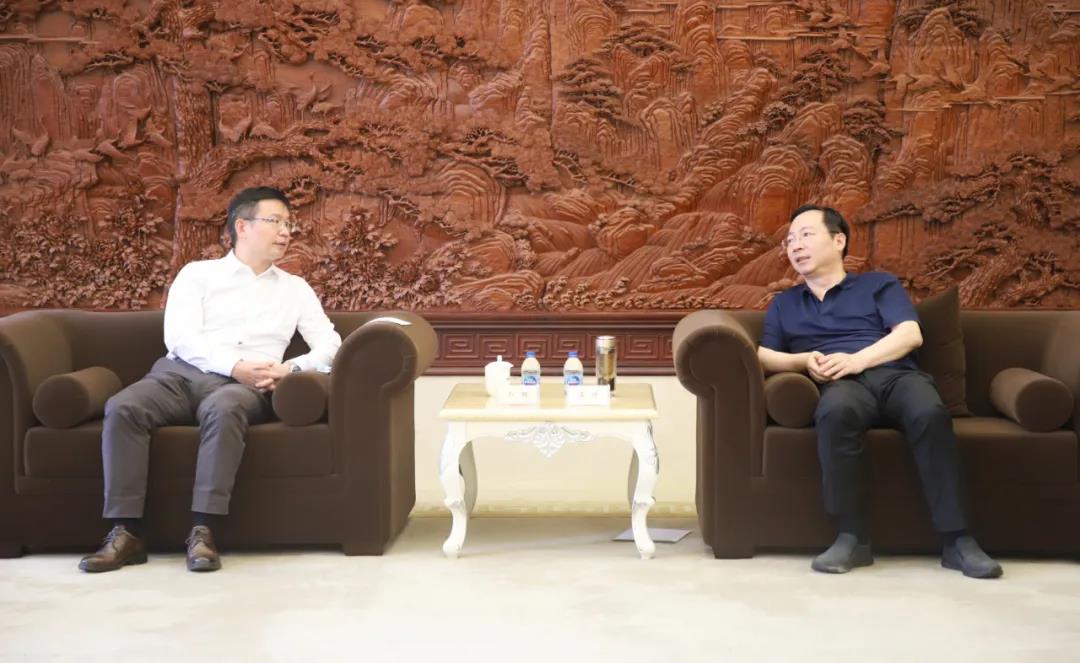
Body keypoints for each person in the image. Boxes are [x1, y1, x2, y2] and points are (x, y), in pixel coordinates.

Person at [79, 187, 341, 573]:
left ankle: (204, 531)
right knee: (123, 406)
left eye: (289, 223)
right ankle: (125, 532)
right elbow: (180, 338)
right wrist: (233, 364)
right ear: (242, 226)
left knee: (225, 406)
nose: (286, 231)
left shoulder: (295, 289)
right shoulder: (197, 275)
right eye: (275, 221)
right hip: (179, 376)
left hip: (246, 387)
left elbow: (331, 344)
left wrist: (291, 369)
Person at [757, 204, 1002, 579]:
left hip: (895, 376)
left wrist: (857, 360)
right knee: (835, 413)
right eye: (790, 240)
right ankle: (852, 538)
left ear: (839, 241)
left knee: (929, 412)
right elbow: (763, 355)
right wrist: (804, 360)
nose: (795, 246)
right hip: (839, 384)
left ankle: (958, 540)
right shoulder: (785, 303)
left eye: (806, 235)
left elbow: (909, 334)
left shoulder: (877, 284)